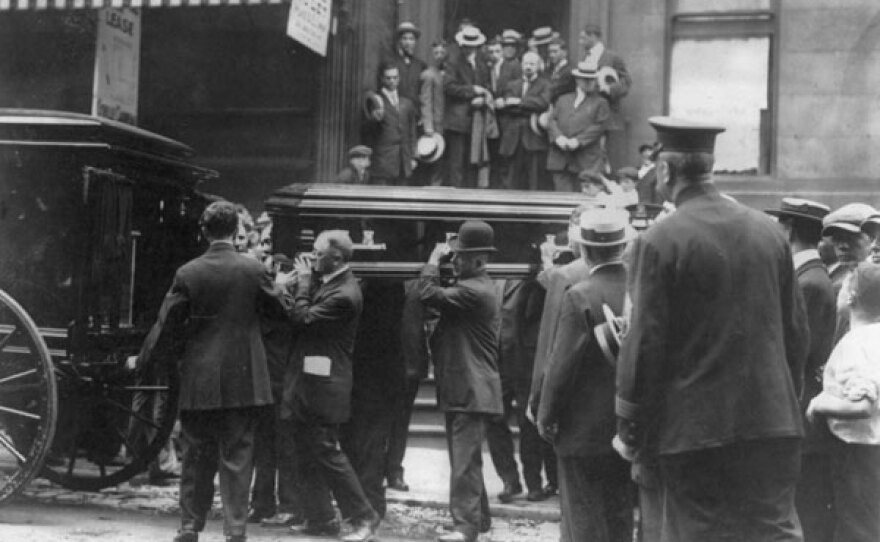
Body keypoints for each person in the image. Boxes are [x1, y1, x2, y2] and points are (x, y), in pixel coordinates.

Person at [615, 117, 809, 542]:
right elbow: (797, 335)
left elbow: (644, 343)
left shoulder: (659, 241)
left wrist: (630, 429)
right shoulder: (770, 233)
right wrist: (784, 402)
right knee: (771, 533)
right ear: (710, 167)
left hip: (694, 432)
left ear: (665, 172)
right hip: (772, 424)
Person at [135, 201, 285, 542]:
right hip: (245, 377)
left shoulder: (188, 272)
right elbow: (280, 314)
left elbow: (165, 324)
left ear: (204, 231)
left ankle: (190, 526)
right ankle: (235, 529)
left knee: (195, 456)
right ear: (236, 231)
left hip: (199, 376)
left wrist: (144, 363)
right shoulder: (254, 270)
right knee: (238, 455)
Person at [538, 208, 635, 542]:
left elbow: (560, 366)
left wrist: (546, 415)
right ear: (622, 246)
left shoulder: (580, 295)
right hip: (627, 424)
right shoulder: (640, 290)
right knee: (620, 513)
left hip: (581, 430)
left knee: (583, 518)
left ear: (585, 249)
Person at [276, 231, 379, 542]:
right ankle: (320, 518)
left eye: (317, 253)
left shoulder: (345, 294)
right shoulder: (333, 284)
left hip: (324, 386)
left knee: (326, 451)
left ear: (336, 257)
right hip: (311, 382)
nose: (312, 257)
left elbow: (304, 320)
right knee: (306, 450)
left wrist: (303, 283)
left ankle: (364, 517)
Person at [419, 221, 503, 542]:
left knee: (464, 463)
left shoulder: (475, 290)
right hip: (466, 387)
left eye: (459, 257)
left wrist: (430, 260)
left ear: (477, 260)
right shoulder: (475, 286)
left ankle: (465, 529)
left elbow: (428, 293)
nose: (454, 261)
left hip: (471, 388)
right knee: (465, 460)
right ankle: (477, 520)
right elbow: (442, 293)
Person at [766, 198, 837, 542]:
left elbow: (798, 351)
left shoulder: (808, 282)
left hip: (800, 408)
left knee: (806, 508)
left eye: (781, 224)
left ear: (790, 229)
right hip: (800, 405)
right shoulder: (808, 276)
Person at [806, 262, 880, 542]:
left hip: (857, 452)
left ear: (850, 297)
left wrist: (819, 404)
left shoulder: (856, 343)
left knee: (856, 526)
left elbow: (863, 405)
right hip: (872, 450)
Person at [547, 62, 610, 192]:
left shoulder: (601, 102)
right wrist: (558, 138)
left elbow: (599, 126)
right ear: (577, 80)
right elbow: (551, 120)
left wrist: (578, 141)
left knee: (584, 199)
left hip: (586, 161)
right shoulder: (563, 99)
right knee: (562, 199)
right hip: (560, 159)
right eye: (585, 79)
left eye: (592, 79)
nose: (589, 82)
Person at [821, 203, 877, 344]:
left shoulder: (875, 284)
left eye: (851, 237)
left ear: (873, 238)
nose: (842, 246)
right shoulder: (843, 279)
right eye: (837, 239)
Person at [444, 26, 491, 188]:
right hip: (457, 121)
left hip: (477, 120)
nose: (468, 49)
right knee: (456, 163)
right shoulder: (453, 62)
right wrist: (472, 91)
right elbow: (449, 87)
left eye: (472, 46)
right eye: (466, 46)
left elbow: (487, 87)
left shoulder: (482, 64)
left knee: (473, 162)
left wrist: (483, 99)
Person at [496, 51, 551, 191]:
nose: (528, 67)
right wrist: (525, 107)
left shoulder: (545, 85)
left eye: (532, 64)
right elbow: (507, 107)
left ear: (538, 66)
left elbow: (543, 103)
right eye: (526, 63)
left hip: (533, 138)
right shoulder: (512, 85)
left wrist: (519, 102)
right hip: (513, 138)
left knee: (534, 181)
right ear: (521, 65)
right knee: (511, 181)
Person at [578, 23, 631, 132]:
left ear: (593, 36)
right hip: (587, 114)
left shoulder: (612, 58)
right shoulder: (584, 57)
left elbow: (626, 82)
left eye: (583, 38)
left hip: (607, 113)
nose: (580, 42)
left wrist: (608, 88)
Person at [381, 22, 427, 105]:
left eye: (411, 39)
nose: (408, 42)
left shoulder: (421, 65)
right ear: (399, 41)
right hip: (396, 109)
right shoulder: (389, 62)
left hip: (416, 111)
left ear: (415, 42)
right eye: (404, 38)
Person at [546, 38, 573, 104]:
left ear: (565, 53)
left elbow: (553, 90)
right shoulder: (549, 69)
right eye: (550, 52)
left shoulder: (568, 71)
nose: (551, 55)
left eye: (555, 52)